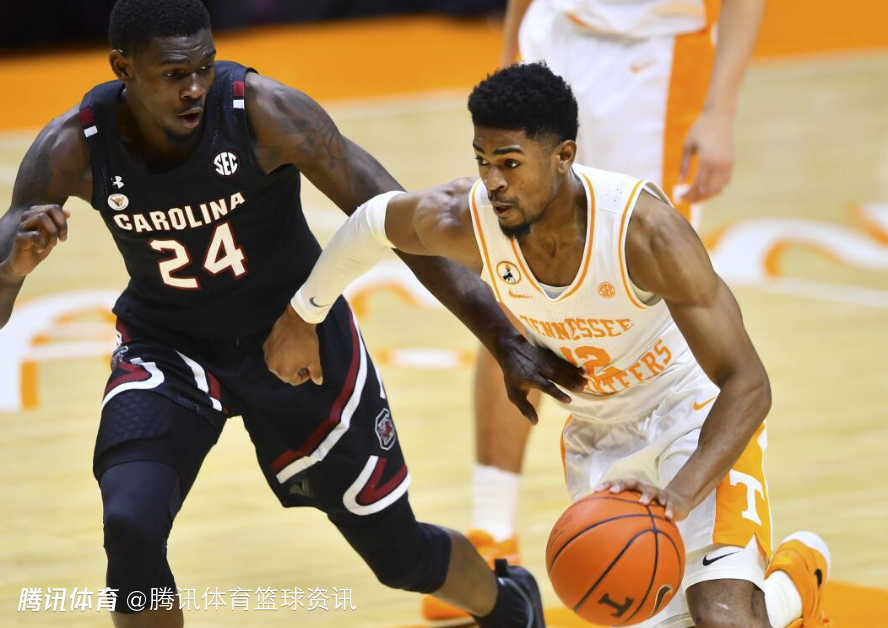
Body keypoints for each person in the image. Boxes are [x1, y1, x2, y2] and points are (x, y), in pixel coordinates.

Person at [0, 2, 588, 626]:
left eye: (204, 67)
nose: (195, 87)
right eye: (174, 74)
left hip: (295, 335)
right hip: (170, 346)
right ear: (123, 68)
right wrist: (11, 272)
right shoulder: (71, 147)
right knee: (129, 526)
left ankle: (508, 603)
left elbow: (400, 223)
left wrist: (501, 335)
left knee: (399, 556)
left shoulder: (266, 113)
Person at [269, 63, 832, 628]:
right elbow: (371, 222)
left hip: (692, 416)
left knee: (721, 617)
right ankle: (789, 591)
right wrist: (303, 313)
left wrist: (679, 496)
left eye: (510, 163)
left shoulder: (645, 232)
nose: (493, 181)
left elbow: (748, 384)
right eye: (482, 161)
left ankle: (781, 590)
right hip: (601, 437)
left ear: (563, 156)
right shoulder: (467, 218)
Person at [456, 4, 766, 620]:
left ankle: (694, 495)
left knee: (651, 294)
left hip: (651, 63)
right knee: (515, 295)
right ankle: (492, 527)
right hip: (553, 35)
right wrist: (511, 59)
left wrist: (720, 110)